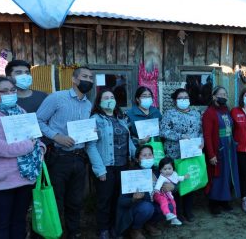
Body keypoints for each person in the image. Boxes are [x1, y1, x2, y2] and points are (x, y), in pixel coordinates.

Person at [36, 67, 94, 238]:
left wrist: (91, 131)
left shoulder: (88, 104)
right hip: (58, 157)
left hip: (79, 158)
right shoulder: (57, 98)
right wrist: (56, 136)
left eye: (91, 77)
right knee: (56, 201)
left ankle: (74, 232)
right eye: (84, 76)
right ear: (74, 80)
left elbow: (83, 129)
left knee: (75, 201)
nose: (88, 80)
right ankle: (54, 233)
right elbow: (37, 120)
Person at [0, 77, 45, 238]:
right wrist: (27, 146)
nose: (10, 94)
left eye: (12, 90)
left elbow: (33, 136)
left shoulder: (20, 111)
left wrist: (40, 147)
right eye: (4, 91)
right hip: (0, 183)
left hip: (24, 178)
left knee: (19, 222)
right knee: (1, 225)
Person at [86, 89, 136, 238]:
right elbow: (90, 145)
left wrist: (137, 155)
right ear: (99, 102)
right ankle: (103, 230)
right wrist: (99, 169)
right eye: (106, 97)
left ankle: (116, 228)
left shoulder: (121, 118)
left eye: (112, 97)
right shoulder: (95, 119)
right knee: (104, 200)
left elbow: (128, 141)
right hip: (106, 166)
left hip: (123, 165)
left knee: (118, 199)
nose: (110, 100)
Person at [160, 88, 202, 222]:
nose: (184, 100)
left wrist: (202, 142)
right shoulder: (169, 113)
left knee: (188, 180)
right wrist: (180, 136)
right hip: (175, 154)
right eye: (180, 98)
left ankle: (188, 210)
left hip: (191, 154)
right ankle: (177, 212)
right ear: (174, 100)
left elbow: (201, 131)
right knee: (176, 182)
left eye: (186, 97)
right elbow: (163, 131)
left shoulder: (196, 114)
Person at [115, 145, 173, 239]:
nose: (148, 157)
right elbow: (121, 202)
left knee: (169, 205)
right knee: (146, 207)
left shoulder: (157, 172)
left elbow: (172, 185)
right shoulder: (131, 175)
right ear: (137, 159)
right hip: (137, 208)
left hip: (153, 205)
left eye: (150, 154)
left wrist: (172, 187)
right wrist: (133, 199)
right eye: (144, 155)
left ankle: (149, 224)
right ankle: (135, 229)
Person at [203, 86, 241, 214]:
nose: (224, 96)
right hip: (218, 148)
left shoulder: (226, 111)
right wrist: (211, 154)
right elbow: (207, 135)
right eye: (221, 94)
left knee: (227, 175)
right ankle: (214, 203)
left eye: (225, 94)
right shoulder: (209, 112)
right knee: (217, 175)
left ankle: (225, 201)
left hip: (229, 148)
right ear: (214, 97)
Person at [153, 157, 189, 226]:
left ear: (173, 168)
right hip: (159, 194)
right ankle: (167, 214)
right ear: (160, 170)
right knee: (164, 201)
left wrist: (184, 177)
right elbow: (158, 185)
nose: (167, 171)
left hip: (167, 194)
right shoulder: (162, 177)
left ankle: (174, 218)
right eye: (165, 169)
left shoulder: (174, 174)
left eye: (169, 168)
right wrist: (157, 190)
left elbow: (178, 178)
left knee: (173, 203)